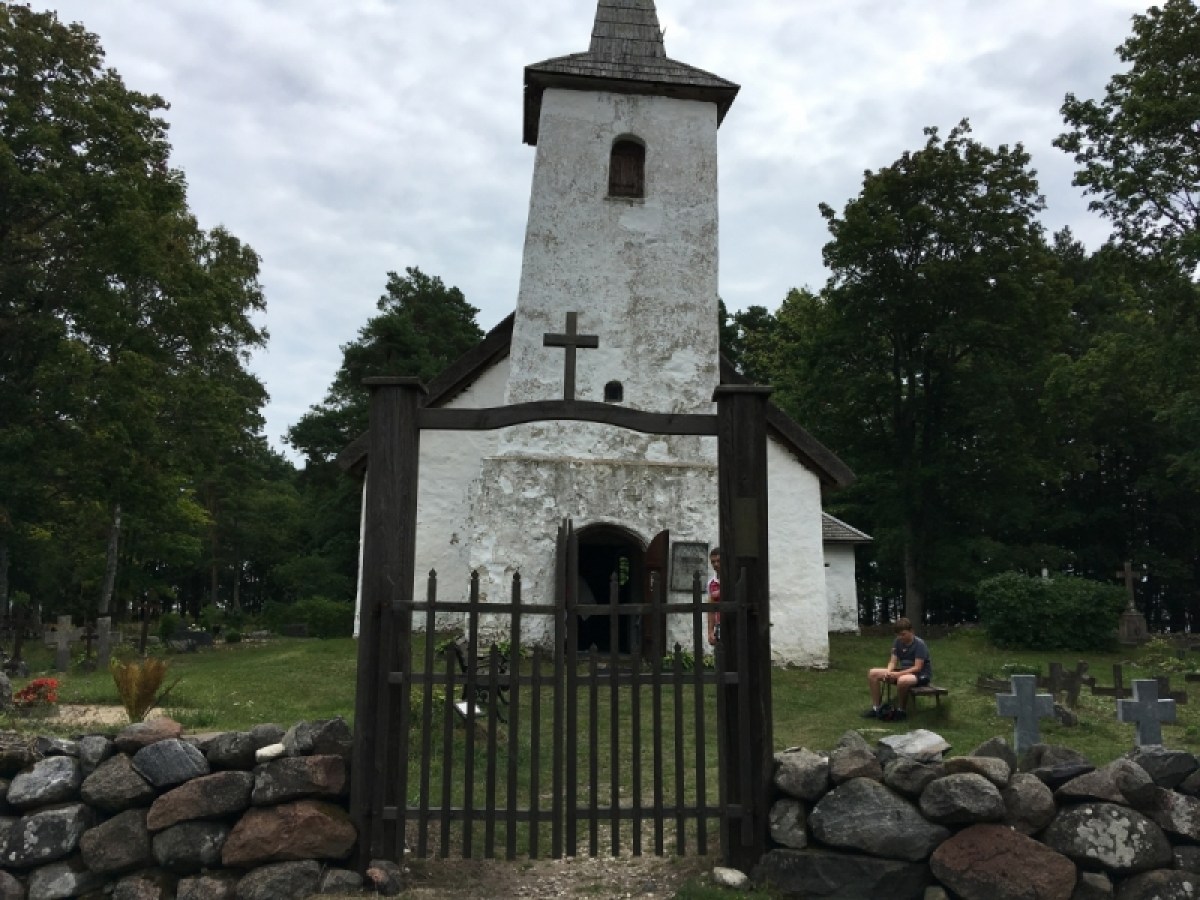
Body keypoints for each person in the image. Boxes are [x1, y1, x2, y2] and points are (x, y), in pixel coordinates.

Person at [863, 617, 931, 718]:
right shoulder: (897, 642)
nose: (900, 637)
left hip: (920, 675)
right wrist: (889, 671)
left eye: (903, 634)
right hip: (904, 671)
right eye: (898, 635)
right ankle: (876, 708)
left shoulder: (919, 644)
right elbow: (893, 661)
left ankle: (901, 710)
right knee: (873, 673)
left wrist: (898, 674)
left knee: (902, 680)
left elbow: (917, 667)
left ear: (911, 631)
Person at [706, 547, 721, 646]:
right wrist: (710, 631)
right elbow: (710, 609)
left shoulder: (734, 579)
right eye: (713, 562)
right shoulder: (711, 583)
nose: (715, 564)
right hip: (719, 625)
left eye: (719, 561)